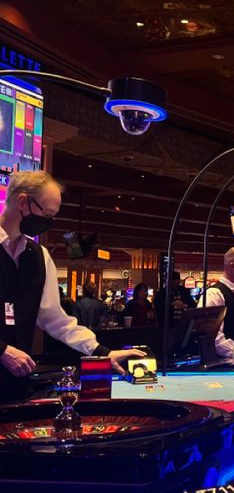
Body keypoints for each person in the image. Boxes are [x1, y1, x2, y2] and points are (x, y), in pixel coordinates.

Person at [0, 170, 143, 399]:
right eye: (46, 214)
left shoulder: (39, 256)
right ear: (22, 202)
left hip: (15, 384)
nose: (48, 223)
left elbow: (55, 319)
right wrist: (2, 351)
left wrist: (102, 352)